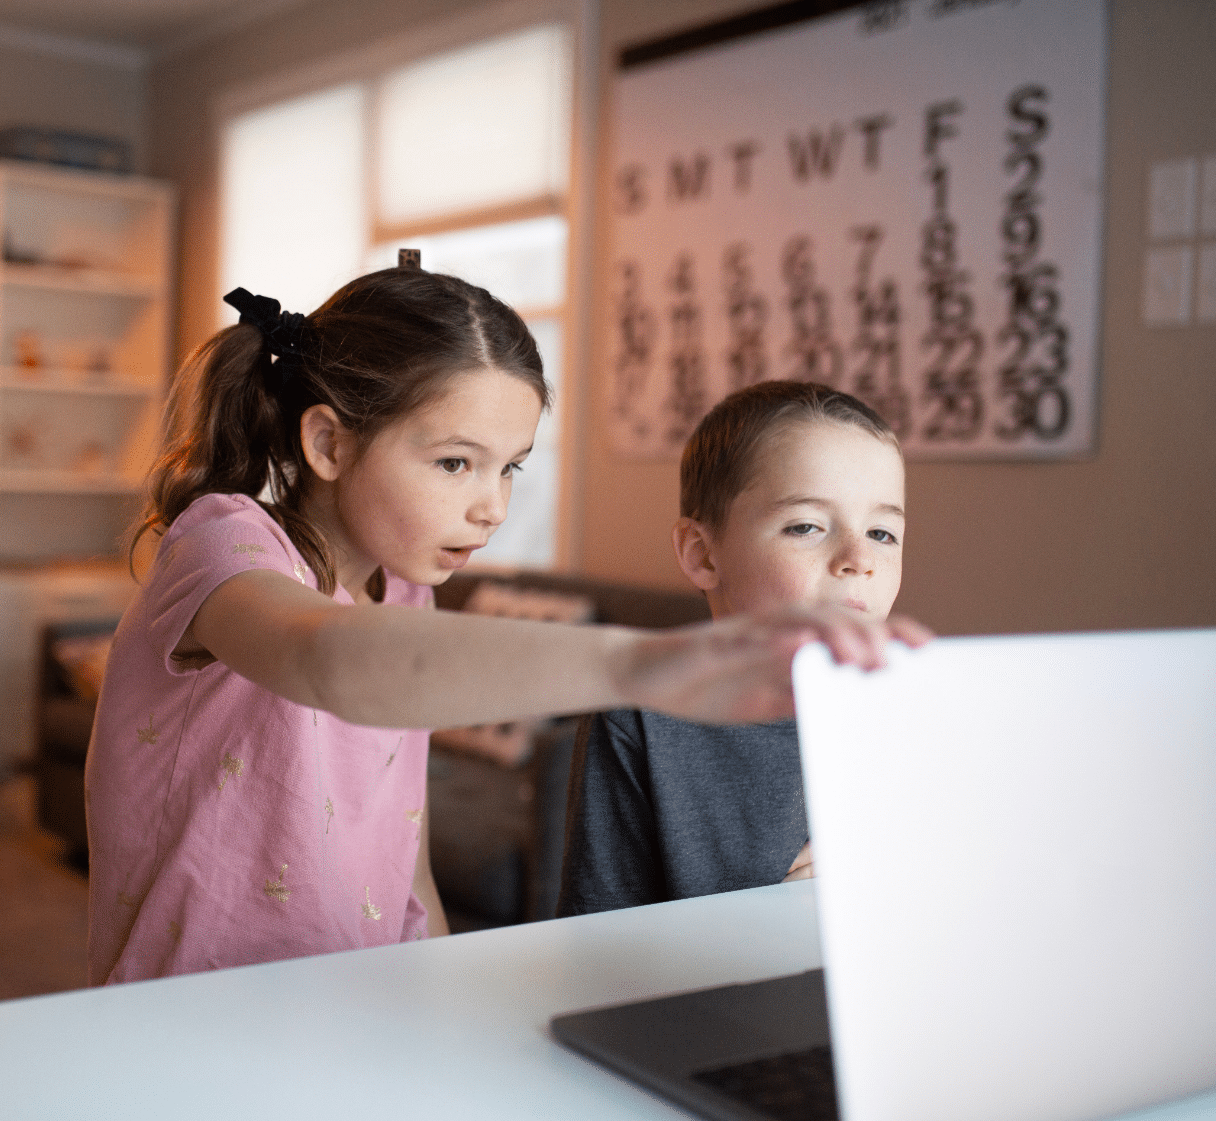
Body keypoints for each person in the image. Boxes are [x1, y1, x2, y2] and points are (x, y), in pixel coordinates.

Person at [86, 270, 925, 985]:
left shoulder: (405, 594)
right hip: (201, 1011)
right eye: (455, 462)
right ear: (330, 443)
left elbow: (401, 850)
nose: (492, 507)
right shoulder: (223, 543)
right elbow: (327, 657)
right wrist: (645, 663)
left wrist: (439, 987)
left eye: (510, 468)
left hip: (368, 996)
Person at [557, 380, 914, 916]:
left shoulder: (923, 705)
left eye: (882, 533)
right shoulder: (639, 719)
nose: (858, 557)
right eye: (807, 526)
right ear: (702, 555)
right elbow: (599, 953)